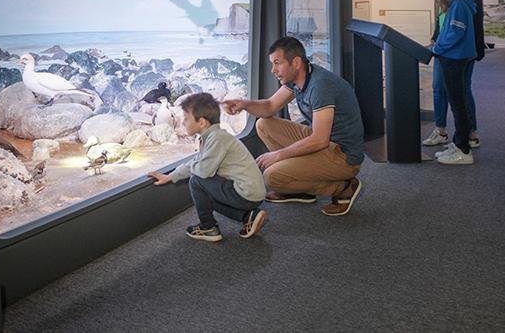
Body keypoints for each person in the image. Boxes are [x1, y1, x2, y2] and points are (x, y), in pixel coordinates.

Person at [222, 37, 365, 216]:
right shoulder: (299, 78)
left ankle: (343, 187)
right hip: (324, 142)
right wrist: (244, 104)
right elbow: (269, 107)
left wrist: (278, 156)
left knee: (271, 176)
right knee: (264, 124)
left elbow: (320, 140)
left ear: (296, 62)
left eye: (277, 63)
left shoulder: (320, 86)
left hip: (342, 155)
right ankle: (300, 188)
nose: (273, 70)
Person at [148, 92, 266, 242]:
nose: (183, 123)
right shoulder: (213, 136)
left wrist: (193, 169)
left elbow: (203, 171)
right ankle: (248, 217)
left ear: (202, 122)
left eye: (186, 119)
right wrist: (171, 176)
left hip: (246, 193)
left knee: (196, 181)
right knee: (206, 194)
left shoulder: (216, 139)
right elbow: (197, 161)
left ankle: (208, 227)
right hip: (250, 192)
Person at [421, 0, 484, 149]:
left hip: (460, 50)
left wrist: (476, 47)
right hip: (443, 46)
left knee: (462, 91)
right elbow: (442, 13)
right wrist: (435, 37)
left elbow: (476, 15)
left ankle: (470, 134)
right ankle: (441, 130)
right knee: (438, 87)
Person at [429, 0, 477, 165]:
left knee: (458, 105)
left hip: (454, 58)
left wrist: (437, 47)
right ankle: (459, 143)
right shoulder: (461, 3)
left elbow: (456, 32)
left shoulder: (458, 5)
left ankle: (464, 151)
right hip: (459, 56)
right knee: (459, 103)